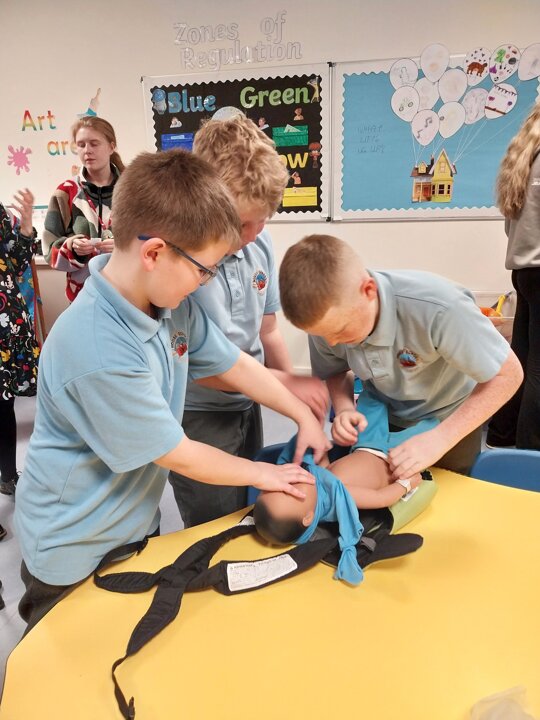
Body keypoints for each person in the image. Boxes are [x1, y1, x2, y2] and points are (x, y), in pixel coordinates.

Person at [14, 149, 330, 630]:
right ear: (154, 253)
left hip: (131, 524)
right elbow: (177, 453)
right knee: (70, 660)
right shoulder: (96, 344)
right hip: (72, 544)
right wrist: (268, 476)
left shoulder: (169, 303)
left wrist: (301, 413)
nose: (205, 282)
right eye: (204, 269)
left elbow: (233, 364)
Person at [169, 115, 329, 528]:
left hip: (248, 401)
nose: (255, 233)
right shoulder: (183, 266)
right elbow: (205, 369)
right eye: (243, 224)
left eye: (264, 220)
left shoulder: (258, 242)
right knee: (213, 519)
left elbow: (268, 329)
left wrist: (291, 397)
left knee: (248, 504)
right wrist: (285, 387)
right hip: (198, 412)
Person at [278, 234, 524, 480]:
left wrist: (441, 438)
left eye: (341, 330)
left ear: (368, 291)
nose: (332, 342)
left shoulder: (439, 307)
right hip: (382, 417)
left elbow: (508, 374)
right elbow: (335, 370)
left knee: (448, 491)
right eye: (323, 335)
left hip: (451, 419)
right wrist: (343, 409)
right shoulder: (326, 322)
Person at [254, 390, 434, 548]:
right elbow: (380, 498)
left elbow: (325, 466)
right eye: (290, 492)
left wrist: (319, 447)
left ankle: (379, 390)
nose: (290, 483)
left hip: (364, 445)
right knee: (432, 428)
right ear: (308, 517)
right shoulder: (337, 498)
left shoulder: (316, 482)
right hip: (393, 457)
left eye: (282, 485)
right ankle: (438, 417)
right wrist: (406, 484)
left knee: (370, 400)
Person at [486, 102, 540, 450]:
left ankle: (501, 435)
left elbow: (511, 224)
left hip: (524, 271)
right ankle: (530, 450)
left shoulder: (525, 157)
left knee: (520, 359)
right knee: (537, 368)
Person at [42, 116, 125, 302]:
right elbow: (49, 248)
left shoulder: (133, 190)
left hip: (128, 293)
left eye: (94, 143)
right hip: (84, 298)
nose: (87, 150)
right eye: (81, 145)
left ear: (111, 147)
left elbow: (152, 239)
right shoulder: (65, 193)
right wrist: (72, 248)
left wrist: (123, 248)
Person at [0, 190, 40, 505]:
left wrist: (25, 225)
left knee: (4, 406)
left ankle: (8, 476)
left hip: (7, 328)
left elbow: (16, 261)